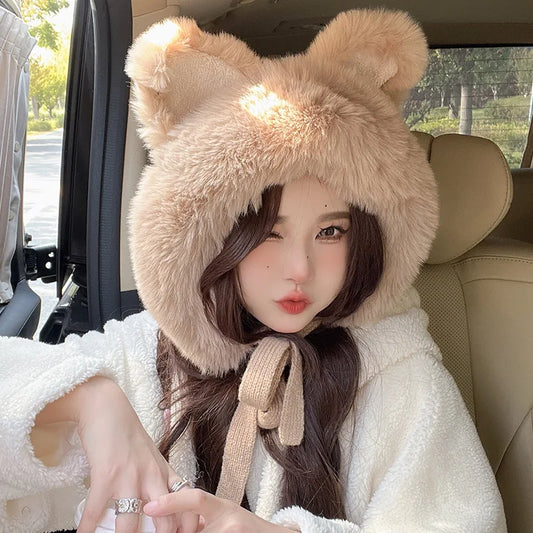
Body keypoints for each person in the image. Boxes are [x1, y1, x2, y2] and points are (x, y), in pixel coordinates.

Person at [0, 8, 507, 533]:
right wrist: (87, 398)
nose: (299, 269)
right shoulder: (151, 353)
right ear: (214, 236)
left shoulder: (398, 373)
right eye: (268, 233)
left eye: (331, 232)